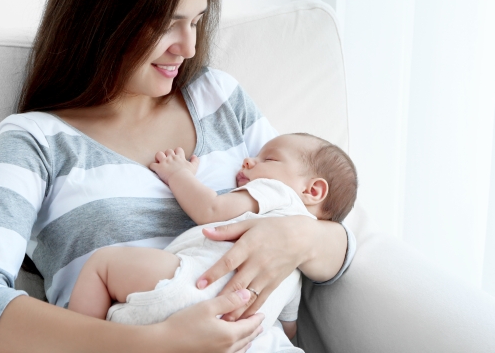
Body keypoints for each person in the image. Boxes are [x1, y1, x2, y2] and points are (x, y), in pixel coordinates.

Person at [0, 0, 356, 352]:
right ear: (101, 16)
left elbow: (332, 227)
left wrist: (298, 236)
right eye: (167, 24)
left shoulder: (218, 98)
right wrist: (156, 343)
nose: (188, 47)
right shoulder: (37, 141)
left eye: (197, 21)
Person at [68, 133, 357, 353]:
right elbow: (290, 327)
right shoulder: (294, 273)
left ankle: (78, 340)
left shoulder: (277, 194)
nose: (249, 160)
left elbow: (211, 209)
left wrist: (178, 174)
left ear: (312, 190)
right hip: (231, 339)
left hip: (184, 286)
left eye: (268, 159)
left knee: (102, 265)